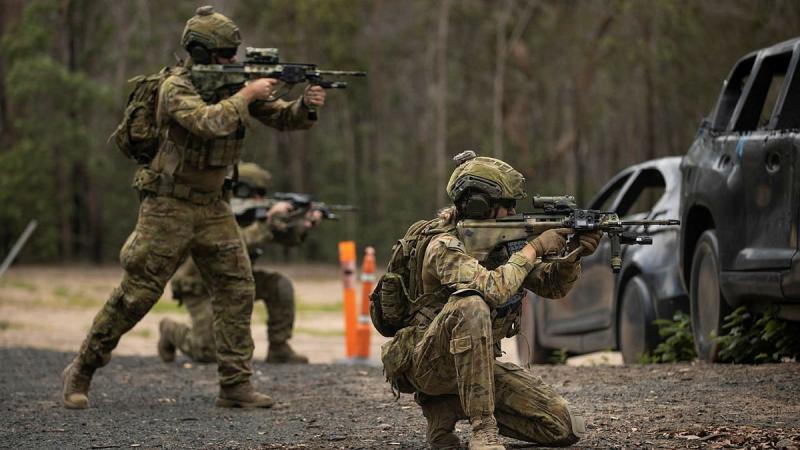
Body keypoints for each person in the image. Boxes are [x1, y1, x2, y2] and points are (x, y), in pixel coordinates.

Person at [61, 5, 326, 410]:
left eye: (235, 54)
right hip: (168, 204)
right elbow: (206, 122)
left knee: (236, 287)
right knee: (138, 293)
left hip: (212, 206)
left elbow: (283, 119)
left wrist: (306, 105)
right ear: (201, 54)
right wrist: (247, 94)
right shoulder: (176, 87)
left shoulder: (233, 87)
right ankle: (82, 368)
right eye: (225, 55)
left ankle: (235, 384)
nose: (233, 61)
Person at [379, 152, 602, 449]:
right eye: (507, 205)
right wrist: (535, 248)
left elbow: (551, 287)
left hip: (475, 368)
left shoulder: (502, 246)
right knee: (471, 305)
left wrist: (573, 256)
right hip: (428, 365)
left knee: (563, 427)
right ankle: (483, 430)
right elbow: (493, 289)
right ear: (478, 205)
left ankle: (447, 407)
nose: (513, 212)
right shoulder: (443, 246)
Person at [159, 162, 318, 365]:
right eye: (254, 192)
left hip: (235, 283)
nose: (259, 198)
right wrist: (269, 223)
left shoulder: (253, 215)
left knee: (279, 285)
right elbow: (233, 242)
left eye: (262, 192)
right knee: (208, 352)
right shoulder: (211, 211)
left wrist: (301, 226)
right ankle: (170, 330)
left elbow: (281, 238)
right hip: (200, 287)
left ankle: (279, 348)